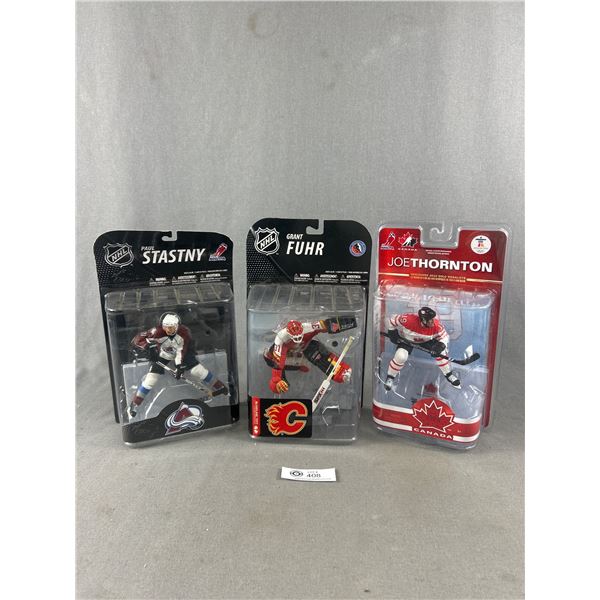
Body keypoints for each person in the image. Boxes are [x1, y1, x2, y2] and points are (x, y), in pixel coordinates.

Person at [128, 312, 227, 418]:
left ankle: (220, 387)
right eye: (167, 327)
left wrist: (179, 367)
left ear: (177, 326)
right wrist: (147, 346)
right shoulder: (156, 331)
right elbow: (137, 340)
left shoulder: (184, 333)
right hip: (163, 355)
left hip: (183, 354)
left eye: (172, 327)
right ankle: (135, 404)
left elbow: (181, 351)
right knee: (151, 379)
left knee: (198, 371)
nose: (170, 330)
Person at [263, 316, 356, 394]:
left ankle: (340, 371)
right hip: (286, 354)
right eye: (295, 337)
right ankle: (283, 379)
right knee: (275, 363)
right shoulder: (281, 339)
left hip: (305, 347)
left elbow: (325, 325)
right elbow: (277, 364)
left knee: (316, 353)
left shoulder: (307, 327)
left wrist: (346, 323)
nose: (298, 339)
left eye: (299, 336)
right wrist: (276, 380)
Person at [384, 307, 461, 390]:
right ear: (423, 320)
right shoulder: (408, 320)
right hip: (407, 340)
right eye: (430, 320)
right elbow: (393, 320)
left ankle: (449, 375)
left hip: (425, 341)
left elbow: (444, 337)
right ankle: (390, 377)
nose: (433, 322)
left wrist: (440, 346)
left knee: (441, 353)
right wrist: (392, 332)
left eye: (432, 319)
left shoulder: (437, 326)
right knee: (400, 356)